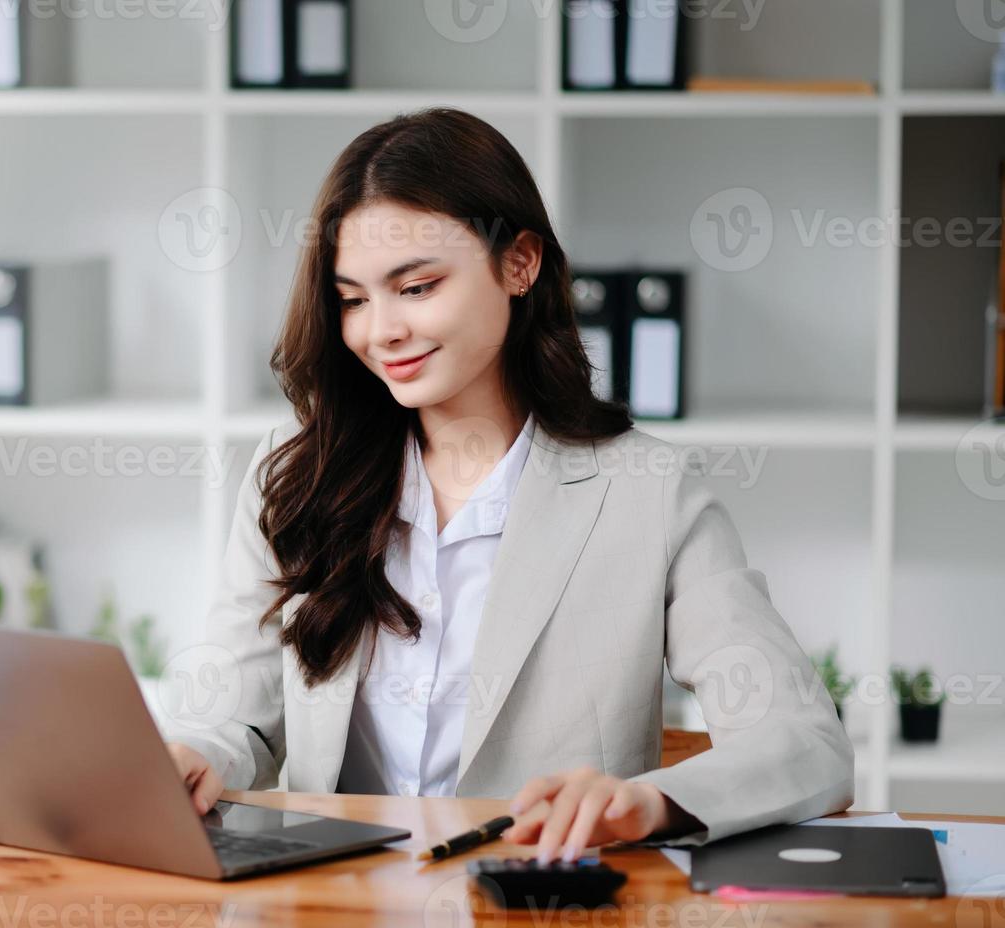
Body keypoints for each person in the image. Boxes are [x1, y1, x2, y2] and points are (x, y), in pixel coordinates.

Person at [161, 107, 852, 864]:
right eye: (353, 299)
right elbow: (237, 713)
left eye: (416, 287)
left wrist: (647, 804)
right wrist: (200, 753)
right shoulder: (296, 475)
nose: (379, 330)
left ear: (519, 264)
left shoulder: (647, 491)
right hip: (333, 913)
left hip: (542, 918)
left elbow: (802, 741)